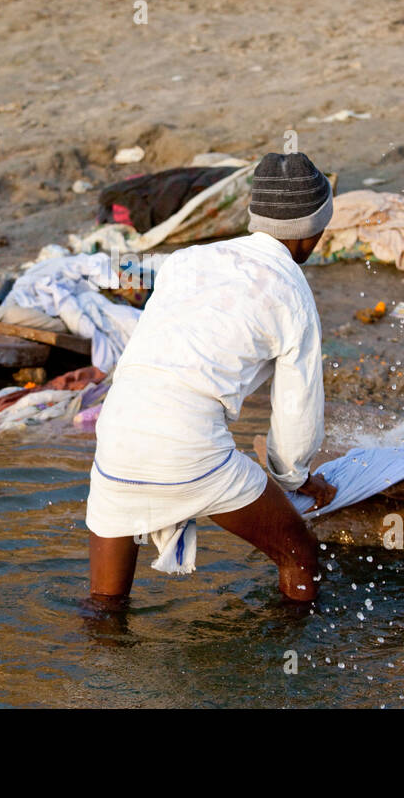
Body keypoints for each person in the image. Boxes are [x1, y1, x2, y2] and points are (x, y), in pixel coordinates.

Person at [86, 152, 339, 603]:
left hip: (115, 434)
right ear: (315, 229)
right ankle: (291, 664)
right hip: (187, 448)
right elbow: (296, 411)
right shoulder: (291, 290)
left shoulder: (187, 261)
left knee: (105, 606)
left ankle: (100, 671)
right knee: (299, 555)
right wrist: (296, 478)